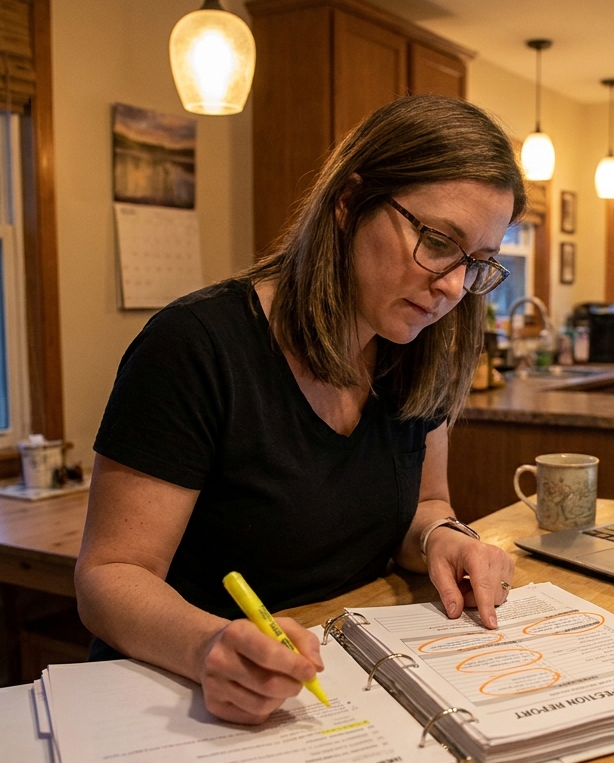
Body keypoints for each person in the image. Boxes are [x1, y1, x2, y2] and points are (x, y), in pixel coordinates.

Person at [74, 94, 528, 726]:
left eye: (477, 264)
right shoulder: (195, 346)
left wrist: (443, 538)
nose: (453, 285)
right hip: (180, 697)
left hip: (342, 680)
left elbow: (424, 505)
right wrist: (210, 645)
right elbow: (109, 577)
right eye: (436, 241)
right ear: (348, 204)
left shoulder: (417, 350)